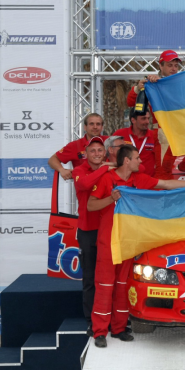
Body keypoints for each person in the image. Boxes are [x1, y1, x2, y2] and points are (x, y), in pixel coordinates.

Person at [87, 145, 185, 347]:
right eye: (137, 158)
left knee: (123, 287)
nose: (141, 162)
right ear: (127, 161)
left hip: (129, 242)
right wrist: (110, 199)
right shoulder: (107, 179)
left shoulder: (139, 179)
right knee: (105, 288)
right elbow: (91, 205)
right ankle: (100, 332)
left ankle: (119, 328)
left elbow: (166, 184)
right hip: (109, 243)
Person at [128, 49, 185, 179]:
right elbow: (130, 102)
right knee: (163, 174)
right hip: (164, 134)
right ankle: (166, 191)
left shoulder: (183, 83)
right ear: (161, 66)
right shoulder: (152, 84)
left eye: (176, 65)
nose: (174, 68)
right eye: (170, 65)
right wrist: (138, 88)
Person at [71, 136, 117, 336]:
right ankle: (92, 320)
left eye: (100, 150)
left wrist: (109, 167)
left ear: (104, 153)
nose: (97, 154)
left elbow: (137, 169)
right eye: (92, 151)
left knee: (110, 277)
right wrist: (104, 169)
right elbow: (84, 185)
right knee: (90, 278)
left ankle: (112, 320)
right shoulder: (79, 170)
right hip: (88, 231)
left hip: (109, 230)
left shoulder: (110, 168)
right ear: (86, 154)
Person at [48, 113, 105, 180]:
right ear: (85, 127)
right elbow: (52, 160)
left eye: (98, 124)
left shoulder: (109, 142)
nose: (95, 127)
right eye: (91, 124)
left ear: (102, 127)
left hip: (107, 184)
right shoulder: (75, 145)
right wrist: (61, 169)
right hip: (85, 185)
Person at [113, 110, 159, 177]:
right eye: (143, 118)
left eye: (148, 118)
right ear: (133, 120)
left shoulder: (155, 136)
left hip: (147, 180)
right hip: (125, 180)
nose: (147, 122)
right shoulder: (119, 134)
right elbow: (110, 155)